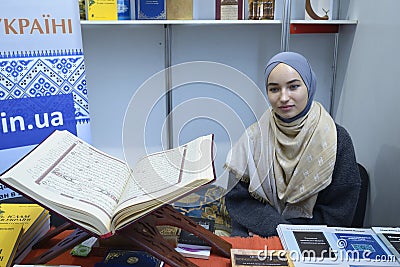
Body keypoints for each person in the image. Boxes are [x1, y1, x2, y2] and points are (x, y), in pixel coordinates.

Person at [224, 51, 361, 238]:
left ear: (309, 86)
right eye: (274, 89)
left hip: (315, 237)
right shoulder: (254, 138)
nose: (283, 97)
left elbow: (339, 211)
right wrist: (274, 229)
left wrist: (288, 232)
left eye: (293, 87)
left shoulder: (337, 139)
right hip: (258, 231)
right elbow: (238, 199)